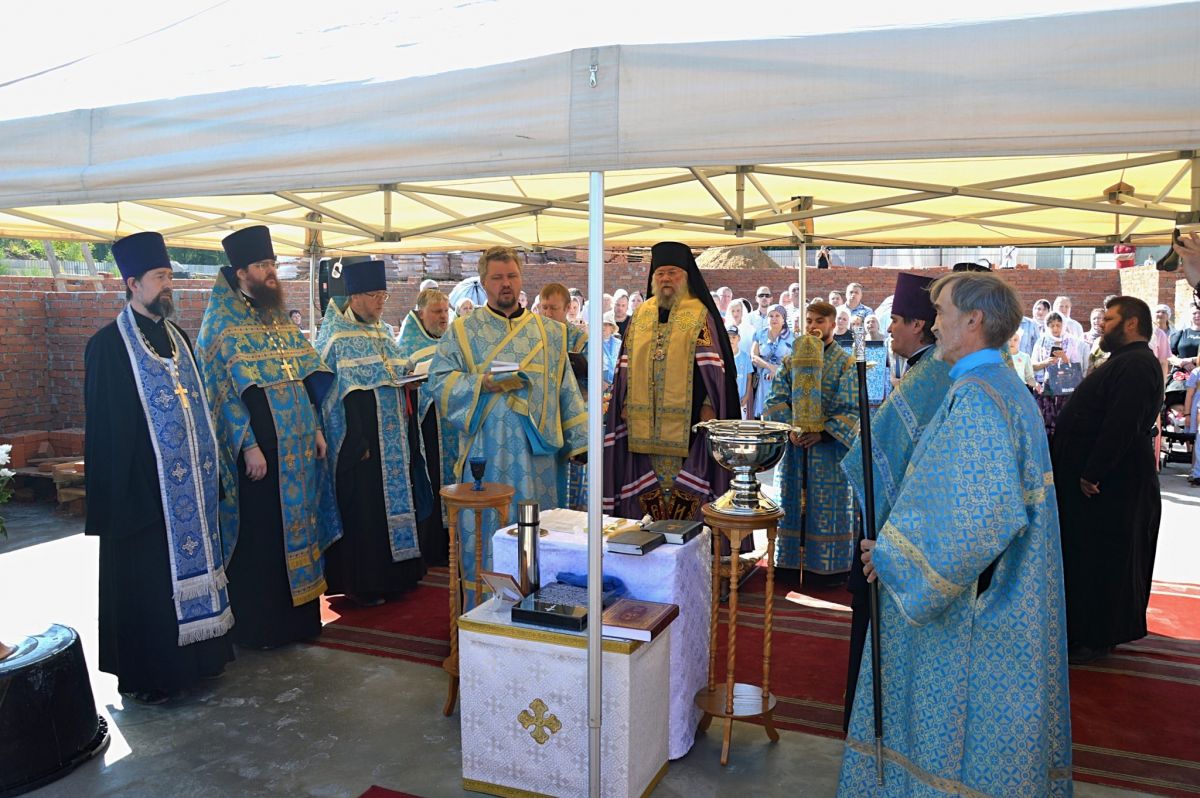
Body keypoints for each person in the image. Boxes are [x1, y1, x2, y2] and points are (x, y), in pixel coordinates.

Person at [840, 271, 1071, 796]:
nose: (935, 324)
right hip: (1007, 591)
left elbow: (974, 517)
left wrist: (892, 557)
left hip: (983, 608)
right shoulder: (994, 384)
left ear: (974, 320)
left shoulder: (979, 398)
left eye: (942, 313)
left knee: (959, 744)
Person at [84, 232, 233, 704]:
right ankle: (154, 674)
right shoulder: (109, 346)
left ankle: (203, 659)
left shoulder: (179, 338)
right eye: (159, 277)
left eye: (169, 276)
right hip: (144, 493)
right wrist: (126, 495)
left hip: (191, 484)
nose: (169, 285)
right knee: (149, 584)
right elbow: (105, 431)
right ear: (132, 283)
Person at [197, 225, 341, 649]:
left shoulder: (276, 316)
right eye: (262, 265)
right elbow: (220, 393)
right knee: (264, 540)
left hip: (296, 448)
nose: (271, 272)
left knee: (299, 531)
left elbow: (301, 376)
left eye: (273, 263)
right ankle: (262, 629)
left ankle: (299, 622)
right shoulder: (219, 323)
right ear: (241, 272)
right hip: (260, 454)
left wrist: (315, 428)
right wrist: (249, 446)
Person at [427, 246, 586, 602]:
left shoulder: (550, 333)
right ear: (483, 283)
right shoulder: (463, 332)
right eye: (497, 278)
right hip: (485, 456)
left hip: (537, 458)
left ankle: (539, 612)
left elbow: (565, 387)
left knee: (537, 538)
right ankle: (482, 615)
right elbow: (438, 381)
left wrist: (580, 441)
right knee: (485, 538)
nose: (506, 284)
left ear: (521, 279)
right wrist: (480, 383)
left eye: (512, 276)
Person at [840, 271, 951, 729]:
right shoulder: (924, 370)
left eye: (896, 321)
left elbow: (878, 453)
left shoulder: (930, 375)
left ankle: (865, 721)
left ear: (920, 326)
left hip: (895, 530)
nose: (888, 330)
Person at [1053, 296, 1164, 664]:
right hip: (1101, 485)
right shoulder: (1124, 361)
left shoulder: (1136, 364)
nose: (1101, 324)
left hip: (1109, 486)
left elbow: (1122, 423)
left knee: (1104, 559)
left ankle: (1095, 635)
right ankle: (1087, 629)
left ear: (1131, 323)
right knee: (1089, 556)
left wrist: (1092, 472)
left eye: (1111, 318)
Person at [316, 261, 432, 606]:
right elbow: (330, 399)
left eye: (384, 293)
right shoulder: (335, 337)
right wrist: (355, 444)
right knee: (366, 515)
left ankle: (400, 575)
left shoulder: (382, 332)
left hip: (393, 439)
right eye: (374, 294)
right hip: (362, 448)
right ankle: (366, 585)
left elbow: (397, 369)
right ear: (354, 296)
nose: (382, 301)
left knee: (394, 509)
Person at [603, 241, 740, 522]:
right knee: (645, 493)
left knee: (682, 493)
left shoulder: (699, 314)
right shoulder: (641, 314)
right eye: (661, 273)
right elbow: (626, 364)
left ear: (685, 276)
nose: (666, 278)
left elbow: (713, 369)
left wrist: (708, 404)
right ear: (654, 277)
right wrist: (626, 402)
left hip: (688, 425)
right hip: (642, 425)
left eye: (673, 273)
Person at [764, 300, 858, 580]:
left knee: (826, 508)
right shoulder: (791, 360)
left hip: (828, 452)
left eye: (819, 321)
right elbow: (775, 399)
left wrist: (823, 432)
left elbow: (851, 407)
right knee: (792, 504)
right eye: (808, 321)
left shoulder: (846, 363)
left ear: (832, 324)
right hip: (795, 449)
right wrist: (790, 428)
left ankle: (825, 572)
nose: (813, 327)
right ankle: (790, 566)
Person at [395, 287, 454, 566]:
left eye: (445, 311)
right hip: (426, 427)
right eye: (437, 312)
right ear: (421, 313)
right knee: (432, 479)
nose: (443, 317)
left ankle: (453, 544)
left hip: (453, 426)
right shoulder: (406, 345)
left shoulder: (453, 339)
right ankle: (432, 548)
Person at [539, 282, 589, 510]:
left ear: (568, 307)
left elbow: (598, 381)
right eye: (544, 308)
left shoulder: (580, 339)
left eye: (554, 308)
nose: (548, 313)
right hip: (544, 417)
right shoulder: (533, 336)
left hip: (573, 414)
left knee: (574, 479)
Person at [1032, 311, 1084, 441]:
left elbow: (1077, 366)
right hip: (1047, 388)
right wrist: (1046, 362)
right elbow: (1032, 365)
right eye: (1052, 325)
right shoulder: (1041, 341)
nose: (1055, 329)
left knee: (1065, 419)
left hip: (1065, 389)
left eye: (1058, 325)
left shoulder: (1071, 341)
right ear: (1047, 326)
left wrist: (1065, 358)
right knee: (1047, 420)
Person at [750, 304, 792, 418]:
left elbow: (794, 362)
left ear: (783, 319)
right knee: (763, 417)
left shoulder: (792, 337)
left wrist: (777, 370)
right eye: (771, 316)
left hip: (782, 381)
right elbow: (754, 356)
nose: (774, 318)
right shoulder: (759, 334)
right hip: (763, 381)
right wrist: (770, 367)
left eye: (777, 316)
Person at [727, 326, 753, 419]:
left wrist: (746, 395)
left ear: (739, 338)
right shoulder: (724, 357)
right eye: (729, 337)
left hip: (741, 399)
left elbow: (749, 377)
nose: (731, 340)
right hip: (728, 399)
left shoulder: (745, 356)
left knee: (742, 424)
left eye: (734, 337)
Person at [600, 311, 622, 390]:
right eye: (602, 324)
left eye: (607, 325)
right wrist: (600, 381)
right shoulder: (593, 343)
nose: (604, 327)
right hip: (600, 382)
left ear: (612, 328)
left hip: (616, 381)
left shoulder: (619, 343)